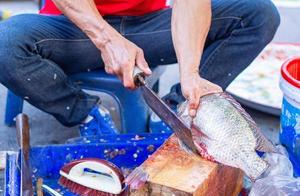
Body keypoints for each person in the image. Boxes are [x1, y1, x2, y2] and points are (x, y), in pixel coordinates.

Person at [0, 0, 280, 136]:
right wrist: (107, 39)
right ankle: (87, 115)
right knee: (4, 42)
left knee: (259, 15)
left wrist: (190, 72)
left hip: (148, 26)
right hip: (72, 27)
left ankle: (176, 114)